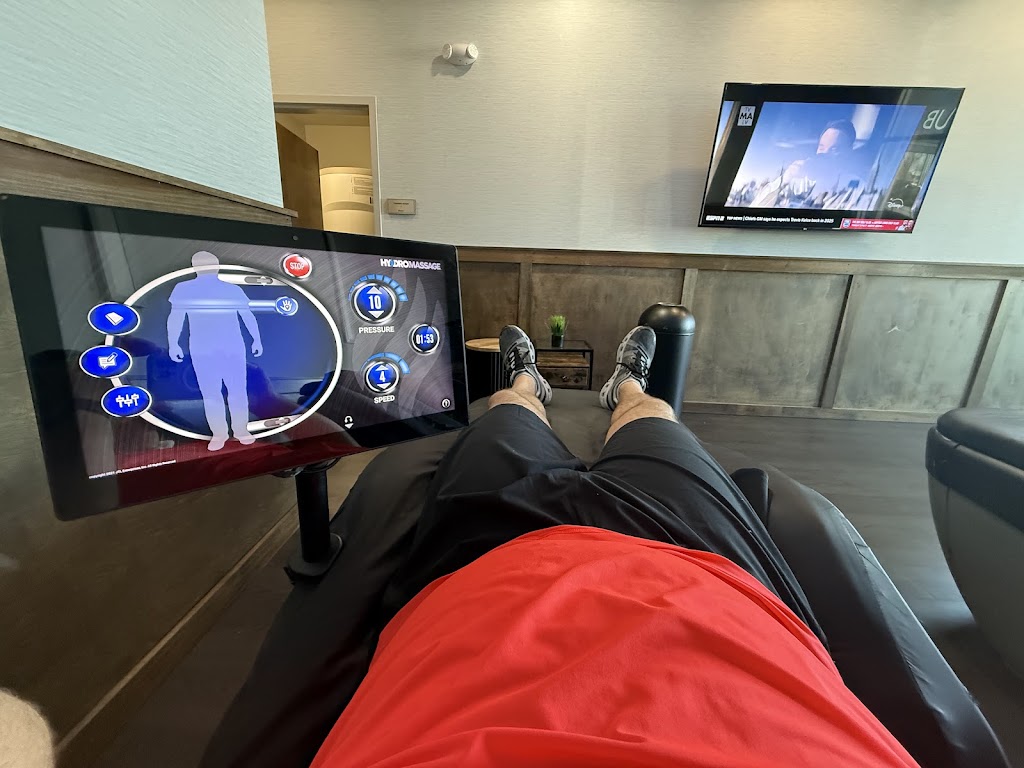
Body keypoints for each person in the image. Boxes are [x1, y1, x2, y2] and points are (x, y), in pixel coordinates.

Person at [309, 325, 921, 767]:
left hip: (485, 565)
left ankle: (524, 382)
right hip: (702, 570)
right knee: (654, 419)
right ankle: (627, 388)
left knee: (504, 415)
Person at [167, 251, 263, 451]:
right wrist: (173, 343)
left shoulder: (232, 289)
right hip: (203, 349)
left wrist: (257, 339)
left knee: (235, 391)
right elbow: (176, 317)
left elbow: (247, 315)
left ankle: (240, 431)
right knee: (212, 393)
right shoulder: (184, 289)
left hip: (231, 347)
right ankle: (219, 434)